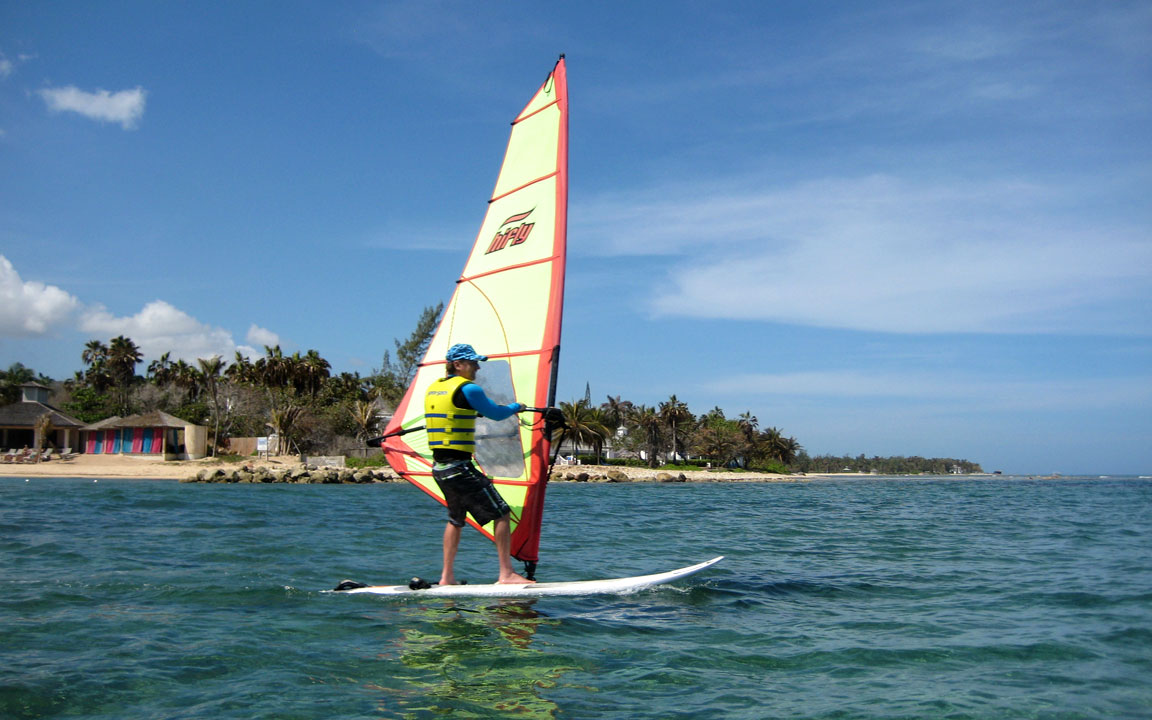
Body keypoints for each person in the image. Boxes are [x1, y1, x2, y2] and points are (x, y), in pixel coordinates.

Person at [425, 343, 534, 585]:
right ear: (457, 365)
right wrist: (518, 406)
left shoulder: (435, 388)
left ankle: (446, 577)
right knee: (502, 513)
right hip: (459, 468)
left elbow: (455, 412)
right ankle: (506, 574)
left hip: (440, 469)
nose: (476, 367)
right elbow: (496, 413)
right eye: (472, 362)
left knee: (456, 518)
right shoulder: (469, 389)